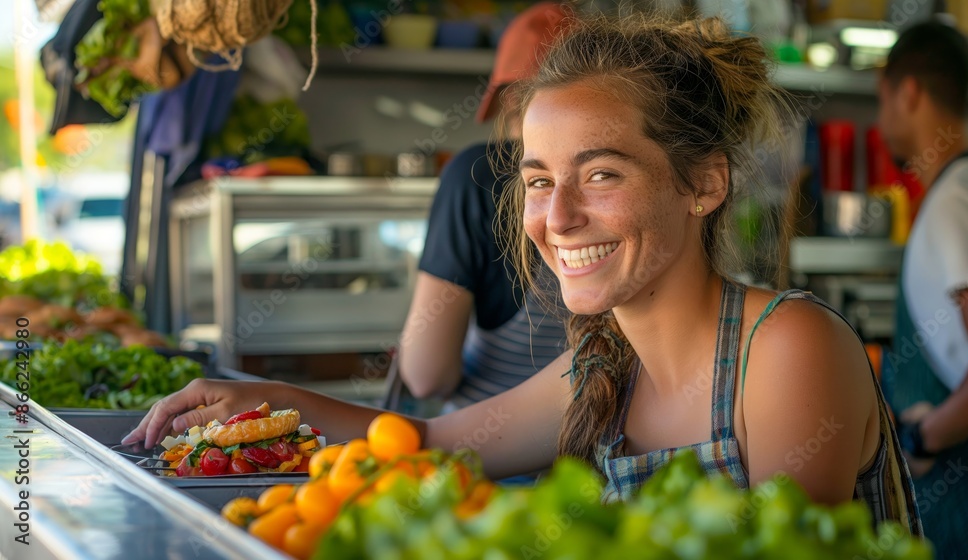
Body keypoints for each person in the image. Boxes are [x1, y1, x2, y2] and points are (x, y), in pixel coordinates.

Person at [125, 15, 921, 532]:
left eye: (602, 174)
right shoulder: (605, 363)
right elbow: (431, 440)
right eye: (539, 181)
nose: (557, 217)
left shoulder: (786, 349)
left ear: (704, 184)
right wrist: (263, 405)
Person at [398, 2, 572, 410]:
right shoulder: (628, 180)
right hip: (607, 458)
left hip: (486, 460)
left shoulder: (477, 174)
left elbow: (427, 375)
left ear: (509, 98)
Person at [877, 20, 968, 559]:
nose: (882, 123)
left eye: (883, 102)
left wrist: (921, 440)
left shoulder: (957, 202)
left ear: (909, 93)